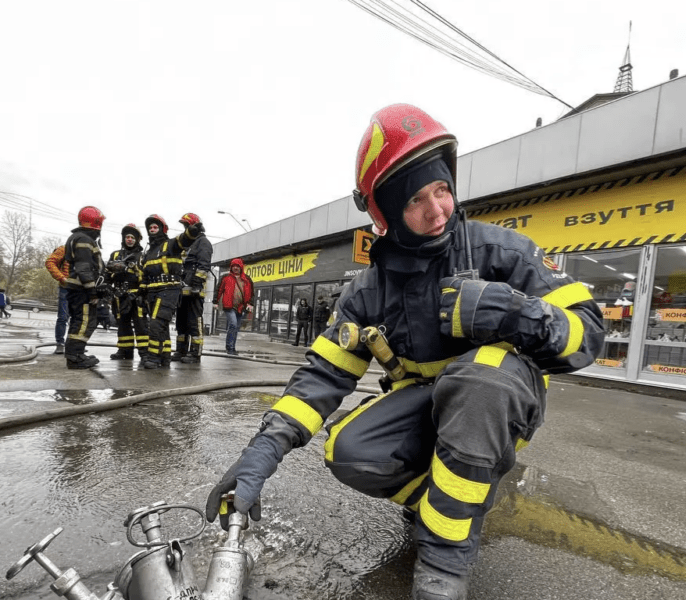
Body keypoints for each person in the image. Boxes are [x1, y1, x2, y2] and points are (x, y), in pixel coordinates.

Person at [205, 104, 605, 600]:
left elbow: (588, 335)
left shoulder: (502, 253)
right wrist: (259, 456)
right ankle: (455, 496)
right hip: (431, 411)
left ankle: (443, 563)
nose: (437, 209)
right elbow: (321, 379)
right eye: (417, 199)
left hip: (498, 407)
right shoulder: (369, 291)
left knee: (480, 378)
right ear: (387, 213)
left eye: (442, 190)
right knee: (348, 449)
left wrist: (511, 312)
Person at [140, 214, 203, 369]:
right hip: (152, 292)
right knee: (161, 325)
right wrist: (141, 294)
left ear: (162, 229)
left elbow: (184, 239)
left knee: (156, 323)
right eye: (150, 228)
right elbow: (144, 275)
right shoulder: (148, 253)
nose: (152, 230)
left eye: (155, 227)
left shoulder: (171, 245)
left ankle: (153, 357)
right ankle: (164, 356)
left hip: (169, 290)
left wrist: (192, 231)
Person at [63, 206, 106, 370]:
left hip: (76, 289)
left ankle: (77, 354)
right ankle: (75, 358)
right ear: (96, 222)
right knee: (84, 322)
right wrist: (92, 291)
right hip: (82, 290)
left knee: (79, 321)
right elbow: (84, 268)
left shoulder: (77, 237)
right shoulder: (84, 240)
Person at [173, 213, 213, 364]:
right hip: (181, 291)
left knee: (194, 322)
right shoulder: (187, 243)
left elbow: (203, 265)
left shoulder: (203, 242)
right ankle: (181, 350)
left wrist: (197, 284)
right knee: (181, 322)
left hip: (194, 291)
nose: (185, 228)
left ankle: (195, 353)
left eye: (187, 225)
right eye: (184, 226)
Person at [106, 224, 148, 360]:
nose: (129, 239)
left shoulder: (142, 256)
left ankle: (144, 353)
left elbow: (146, 276)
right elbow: (107, 274)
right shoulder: (115, 254)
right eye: (127, 237)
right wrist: (108, 286)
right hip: (119, 295)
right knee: (123, 324)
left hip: (136, 295)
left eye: (132, 237)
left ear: (137, 239)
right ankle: (124, 351)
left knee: (140, 325)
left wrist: (135, 269)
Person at [213, 258, 253, 355]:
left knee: (236, 327)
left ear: (241, 267)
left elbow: (252, 293)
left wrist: (251, 304)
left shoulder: (247, 279)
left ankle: (232, 347)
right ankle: (230, 347)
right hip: (229, 306)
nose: (235, 268)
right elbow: (219, 289)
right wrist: (215, 301)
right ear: (231, 267)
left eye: (237, 266)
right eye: (233, 266)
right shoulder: (225, 278)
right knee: (233, 324)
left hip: (241, 307)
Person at [45, 245, 70, 353]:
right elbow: (50, 262)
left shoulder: (88, 250)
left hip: (81, 290)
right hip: (66, 288)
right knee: (63, 317)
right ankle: (60, 343)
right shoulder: (65, 248)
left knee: (78, 319)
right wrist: (62, 277)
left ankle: (74, 345)